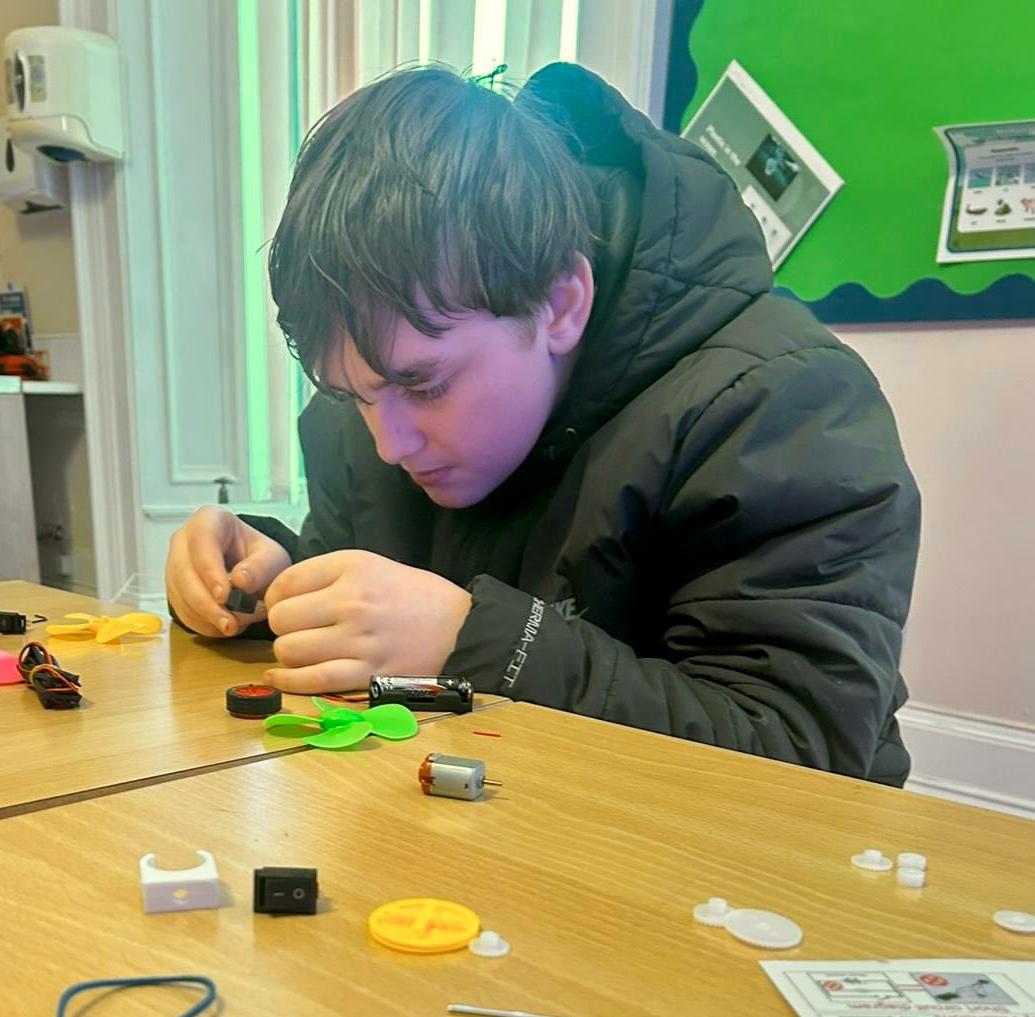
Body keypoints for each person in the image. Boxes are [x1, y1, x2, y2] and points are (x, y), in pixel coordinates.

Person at [165, 62, 920, 783]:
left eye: (424, 385)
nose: (388, 444)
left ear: (560, 304)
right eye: (351, 394)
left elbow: (798, 753)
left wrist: (474, 642)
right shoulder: (369, 410)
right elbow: (373, 604)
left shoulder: (787, 407)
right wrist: (263, 582)